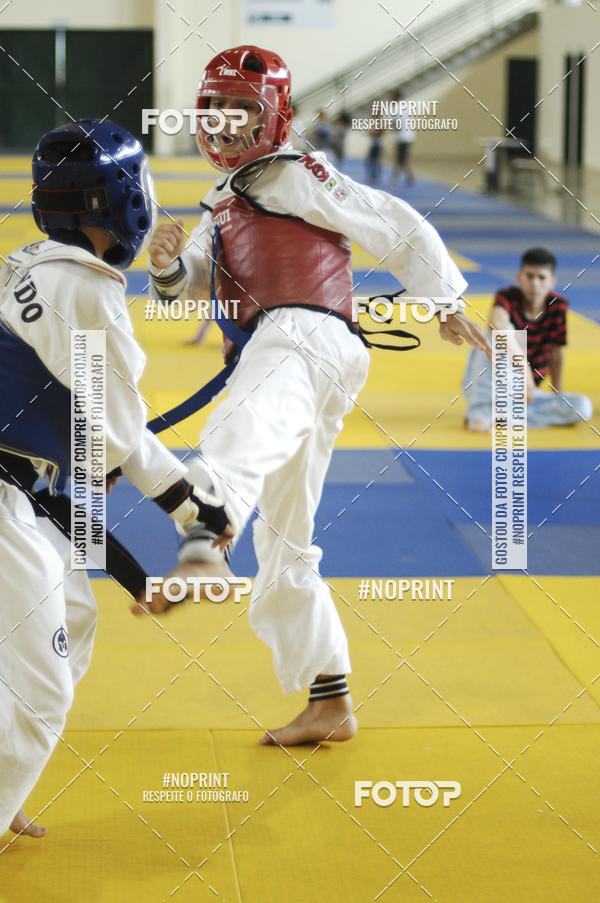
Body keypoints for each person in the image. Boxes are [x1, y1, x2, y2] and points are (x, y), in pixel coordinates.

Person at [146, 45, 491, 746]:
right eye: (216, 110)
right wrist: (164, 267)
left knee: (241, 423)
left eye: (244, 110)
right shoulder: (225, 201)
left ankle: (207, 530)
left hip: (305, 335)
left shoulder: (295, 172)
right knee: (285, 537)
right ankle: (329, 698)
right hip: (299, 355)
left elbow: (390, 220)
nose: (226, 125)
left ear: (275, 117)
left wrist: (445, 297)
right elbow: (198, 279)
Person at [0, 119, 233, 840]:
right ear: (125, 201)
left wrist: (136, 578)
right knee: (40, 692)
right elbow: (119, 433)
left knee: (72, 615)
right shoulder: (90, 293)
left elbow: (80, 463)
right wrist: (193, 512)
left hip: (21, 495)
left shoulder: (26, 262)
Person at [463, 247, 593, 431]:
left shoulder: (558, 306)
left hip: (527, 394)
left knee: (582, 408)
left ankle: (499, 416)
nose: (535, 284)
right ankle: (482, 409)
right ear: (519, 277)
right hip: (495, 385)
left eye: (541, 278)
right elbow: (496, 326)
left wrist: (558, 394)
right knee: (499, 334)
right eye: (529, 276)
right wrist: (523, 367)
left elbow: (556, 353)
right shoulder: (507, 297)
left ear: (552, 281)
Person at [390, 90, 415, 186]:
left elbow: (398, 123)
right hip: (404, 136)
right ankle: (410, 176)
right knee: (403, 159)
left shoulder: (399, 108)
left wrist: (390, 126)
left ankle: (395, 179)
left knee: (400, 159)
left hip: (404, 137)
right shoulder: (401, 107)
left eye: (392, 97)